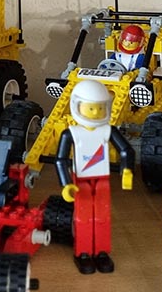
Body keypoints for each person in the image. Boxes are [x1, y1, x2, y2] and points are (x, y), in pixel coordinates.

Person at [54, 80, 134, 274]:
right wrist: (66, 184)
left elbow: (126, 150)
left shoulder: (108, 130)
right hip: (80, 180)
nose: (96, 113)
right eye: (90, 108)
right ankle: (83, 253)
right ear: (77, 106)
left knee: (102, 216)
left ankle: (101, 252)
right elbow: (61, 160)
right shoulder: (71, 133)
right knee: (83, 217)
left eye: (100, 108)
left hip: (102, 179)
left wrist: (127, 170)